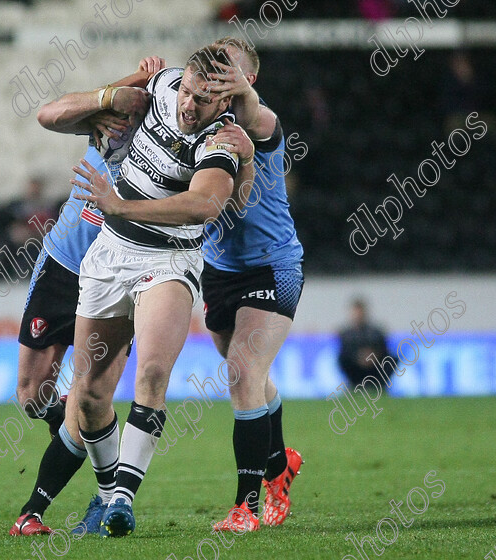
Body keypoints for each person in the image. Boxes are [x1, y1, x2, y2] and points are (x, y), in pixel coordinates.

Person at [64, 45, 255, 537]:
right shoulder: (162, 84)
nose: (189, 105)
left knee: (151, 372)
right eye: (187, 93)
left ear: (224, 105)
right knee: (88, 396)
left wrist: (119, 206)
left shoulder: (223, 139)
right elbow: (53, 116)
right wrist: (107, 102)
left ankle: (122, 499)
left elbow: (204, 205)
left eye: (203, 100)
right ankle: (106, 494)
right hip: (110, 254)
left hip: (167, 259)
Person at [9, 57, 166, 537]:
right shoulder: (116, 118)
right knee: (32, 396)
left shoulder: (172, 152)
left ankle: (42, 509)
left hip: (117, 276)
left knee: (89, 396)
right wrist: (117, 89)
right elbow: (50, 113)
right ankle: (78, 437)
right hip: (60, 265)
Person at [195, 37, 305, 532]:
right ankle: (281, 467)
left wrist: (242, 95)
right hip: (218, 271)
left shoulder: (260, 122)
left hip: (272, 266)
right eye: (214, 67)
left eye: (232, 70)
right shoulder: (194, 121)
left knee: (241, 372)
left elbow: (255, 112)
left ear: (250, 79)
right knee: (251, 378)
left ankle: (247, 506)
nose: (221, 76)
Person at [337, 299, 391, 388]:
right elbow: (345, 352)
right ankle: (355, 385)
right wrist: (358, 357)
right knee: (341, 359)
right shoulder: (346, 334)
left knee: (391, 360)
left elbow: (383, 350)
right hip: (355, 367)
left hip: (374, 366)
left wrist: (373, 356)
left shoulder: (376, 332)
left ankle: (379, 385)